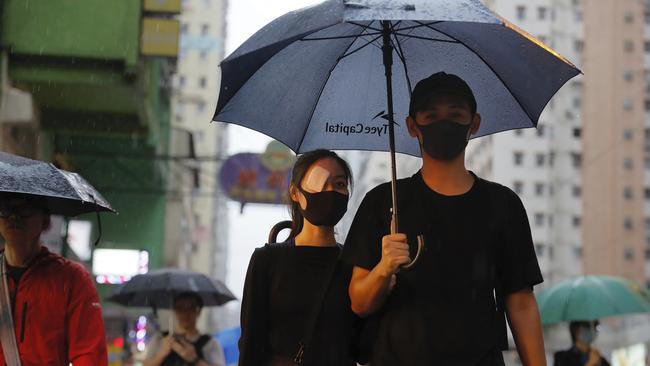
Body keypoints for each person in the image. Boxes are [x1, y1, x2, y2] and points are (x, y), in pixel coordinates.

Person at [343, 72, 547, 365]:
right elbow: (359, 302)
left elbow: (521, 301)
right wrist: (384, 268)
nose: (444, 123)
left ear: (473, 124)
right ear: (412, 127)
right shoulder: (383, 201)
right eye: (431, 115)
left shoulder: (503, 204)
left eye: (455, 114)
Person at [238, 149, 361, 366]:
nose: (330, 191)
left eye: (340, 184)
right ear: (295, 193)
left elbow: (363, 348)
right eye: (319, 182)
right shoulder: (267, 260)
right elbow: (251, 342)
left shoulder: (355, 265)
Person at [0, 193, 108, 365]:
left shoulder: (72, 279)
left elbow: (89, 356)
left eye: (25, 208)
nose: (14, 216)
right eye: (5, 209)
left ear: (46, 220)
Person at [144, 292, 226, 366]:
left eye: (190, 308)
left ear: (198, 311)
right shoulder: (160, 339)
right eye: (180, 308)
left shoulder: (210, 344)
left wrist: (195, 360)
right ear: (175, 311)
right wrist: (162, 353)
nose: (185, 313)